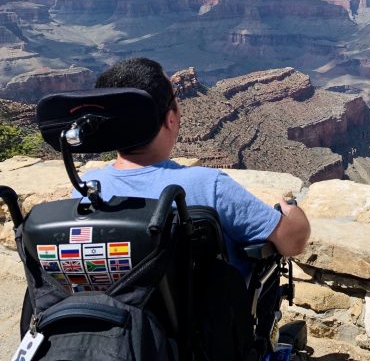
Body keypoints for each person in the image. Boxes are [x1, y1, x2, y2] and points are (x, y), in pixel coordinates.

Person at [75, 57, 311, 270]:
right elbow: (293, 241)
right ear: (170, 119)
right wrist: (293, 212)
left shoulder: (85, 189)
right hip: (201, 317)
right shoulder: (208, 186)